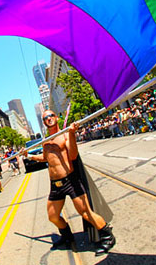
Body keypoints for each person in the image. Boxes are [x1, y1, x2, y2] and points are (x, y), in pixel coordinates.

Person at [21, 110, 115, 256]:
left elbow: (72, 155)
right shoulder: (46, 140)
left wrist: (71, 134)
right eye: (45, 118)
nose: (49, 118)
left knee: (85, 212)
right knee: (53, 216)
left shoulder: (65, 134)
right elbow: (46, 157)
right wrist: (30, 156)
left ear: (56, 118)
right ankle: (67, 236)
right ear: (44, 122)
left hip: (70, 181)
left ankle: (107, 237)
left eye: (51, 115)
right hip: (55, 184)